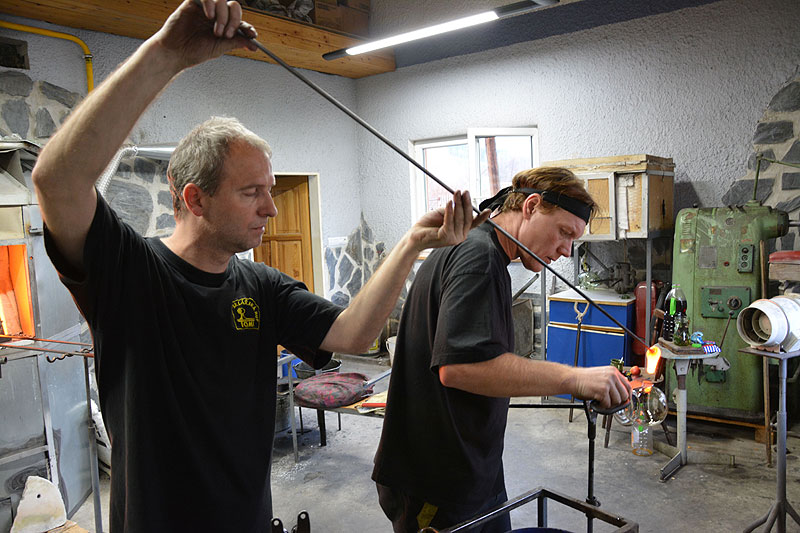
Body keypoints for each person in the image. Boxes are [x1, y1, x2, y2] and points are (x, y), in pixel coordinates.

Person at [31, 1, 489, 531]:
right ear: (195, 199)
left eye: (270, 190)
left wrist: (411, 244)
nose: (271, 209)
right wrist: (167, 54)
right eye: (252, 192)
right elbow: (57, 181)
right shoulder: (131, 272)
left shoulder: (260, 285)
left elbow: (354, 334)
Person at [372, 167, 633, 533]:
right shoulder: (477, 258)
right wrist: (574, 378)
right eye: (564, 232)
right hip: (436, 480)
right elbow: (461, 367)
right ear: (531, 206)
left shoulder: (483, 251)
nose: (566, 250)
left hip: (472, 467)